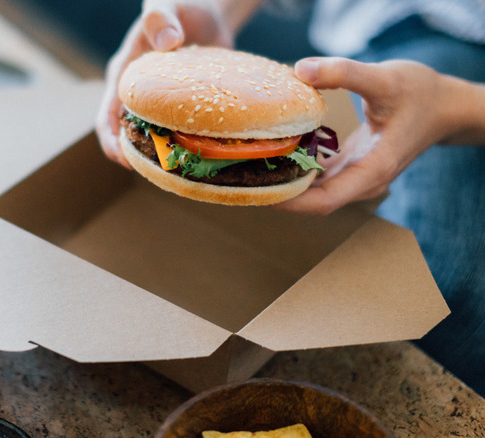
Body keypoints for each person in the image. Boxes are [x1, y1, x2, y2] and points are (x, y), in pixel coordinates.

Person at [95, 0, 485, 396]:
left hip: (463, 75)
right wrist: (215, 8)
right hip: (376, 30)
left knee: (452, 301)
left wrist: (458, 107)